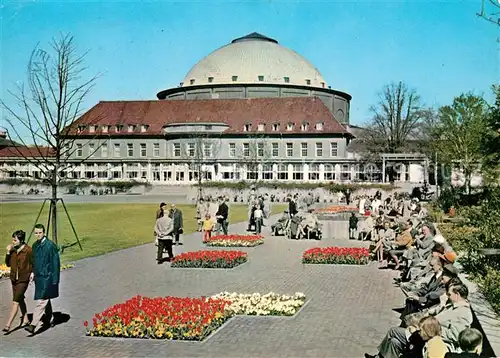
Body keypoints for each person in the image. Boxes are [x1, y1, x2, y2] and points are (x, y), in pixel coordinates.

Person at [25, 224, 60, 335]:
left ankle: (33, 325)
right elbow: (34, 261)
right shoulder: (35, 246)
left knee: (41, 301)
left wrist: (55, 280)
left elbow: (55, 263)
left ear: (44, 232)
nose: (38, 235)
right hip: (39, 278)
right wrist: (33, 273)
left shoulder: (50, 246)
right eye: (36, 233)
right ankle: (50, 319)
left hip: (48, 278)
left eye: (40, 232)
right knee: (45, 299)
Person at [4, 230, 32, 333]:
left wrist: (32, 273)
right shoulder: (12, 250)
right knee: (20, 300)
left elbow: (34, 263)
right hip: (14, 280)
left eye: (15, 240)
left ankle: (8, 325)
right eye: (12, 239)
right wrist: (8, 253)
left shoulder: (28, 250)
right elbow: (7, 264)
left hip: (23, 280)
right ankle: (26, 320)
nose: (13, 242)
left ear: (21, 240)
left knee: (15, 301)